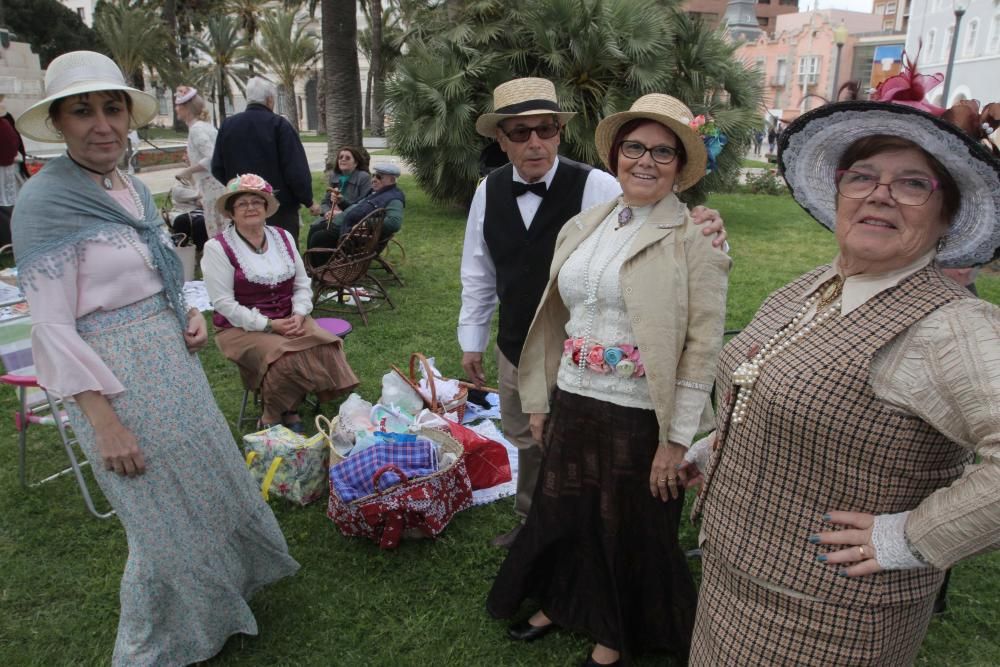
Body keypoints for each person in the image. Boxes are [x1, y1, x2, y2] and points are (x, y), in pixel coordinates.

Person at [681, 94, 1000, 665]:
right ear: (839, 191)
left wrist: (910, 537)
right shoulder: (813, 286)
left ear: (947, 215)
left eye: (911, 184)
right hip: (731, 583)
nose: (880, 193)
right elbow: (769, 384)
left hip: (832, 620)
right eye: (863, 177)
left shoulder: (949, 327)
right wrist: (713, 450)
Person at [11, 51, 299, 665]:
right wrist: (104, 422)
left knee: (205, 485)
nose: (102, 124)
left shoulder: (132, 187)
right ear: (58, 122)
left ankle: (224, 596)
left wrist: (186, 315)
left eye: (112, 108)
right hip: (114, 379)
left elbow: (154, 271)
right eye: (82, 111)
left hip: (173, 361)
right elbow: (55, 327)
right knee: (157, 515)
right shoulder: (44, 202)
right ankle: (154, 643)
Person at [486, 94, 731, 667]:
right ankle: (563, 600)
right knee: (564, 509)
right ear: (617, 154)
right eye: (635, 148)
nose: (646, 161)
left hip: (643, 411)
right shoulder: (587, 223)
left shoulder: (696, 238)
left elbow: (704, 345)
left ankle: (616, 632)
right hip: (575, 395)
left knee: (629, 525)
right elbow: (554, 319)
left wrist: (677, 442)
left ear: (680, 164)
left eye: (663, 152)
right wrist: (542, 400)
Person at [458, 77, 728, 549]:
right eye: (520, 132)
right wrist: (471, 337)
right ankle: (534, 523)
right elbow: (478, 269)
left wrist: (703, 220)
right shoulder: (489, 191)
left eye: (545, 129)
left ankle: (572, 534)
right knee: (528, 437)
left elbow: (652, 218)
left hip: (608, 365)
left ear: (560, 132)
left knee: (592, 465)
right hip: (521, 343)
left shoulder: (598, 185)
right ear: (501, 139)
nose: (534, 142)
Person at [202, 173, 359, 432]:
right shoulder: (217, 248)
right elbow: (223, 304)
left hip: (290, 317)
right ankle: (273, 416)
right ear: (231, 213)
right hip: (240, 327)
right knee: (285, 358)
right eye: (242, 204)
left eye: (257, 201)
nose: (251, 207)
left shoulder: (283, 237)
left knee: (327, 345)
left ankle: (289, 407)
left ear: (266, 208)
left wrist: (298, 314)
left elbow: (301, 282)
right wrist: (269, 325)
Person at [211, 76, 320, 240]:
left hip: (241, 206)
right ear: (270, 100)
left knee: (246, 253)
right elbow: (295, 170)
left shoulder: (228, 125)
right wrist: (308, 200)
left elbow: (217, 167)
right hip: (278, 207)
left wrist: (237, 187)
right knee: (282, 251)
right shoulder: (279, 125)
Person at [306, 162, 405, 256]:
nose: (374, 179)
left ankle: (318, 269)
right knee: (315, 229)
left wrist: (365, 223)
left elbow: (394, 223)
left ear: (392, 180)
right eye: (373, 175)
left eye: (379, 177)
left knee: (318, 238)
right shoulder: (374, 192)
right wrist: (342, 203)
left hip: (351, 236)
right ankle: (310, 266)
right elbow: (357, 209)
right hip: (344, 225)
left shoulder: (394, 198)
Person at [173, 85, 227, 238]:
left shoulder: (197, 129)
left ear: (186, 108)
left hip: (212, 190)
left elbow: (212, 157)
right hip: (215, 187)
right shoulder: (205, 127)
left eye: (178, 105)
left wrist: (187, 171)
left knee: (217, 233)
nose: (176, 108)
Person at [0, 94, 29, 247]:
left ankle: (9, 240)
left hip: (6, 170)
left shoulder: (3, 125)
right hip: (9, 169)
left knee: (6, 204)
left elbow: (9, 150)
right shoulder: (5, 123)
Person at [323, 144, 372, 213]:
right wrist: (327, 212)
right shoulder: (334, 176)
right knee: (315, 224)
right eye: (340, 157)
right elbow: (325, 202)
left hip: (351, 217)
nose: (343, 159)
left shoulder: (364, 177)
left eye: (347, 158)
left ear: (356, 163)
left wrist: (342, 206)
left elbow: (362, 205)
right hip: (331, 214)